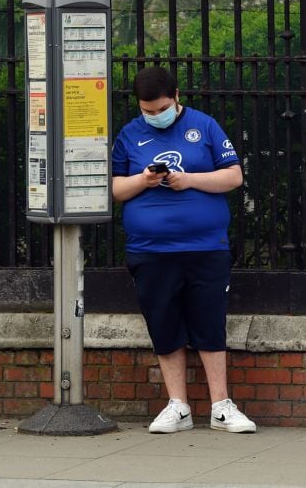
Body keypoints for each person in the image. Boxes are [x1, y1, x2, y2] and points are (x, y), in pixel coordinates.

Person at [111, 66, 256, 434]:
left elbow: (233, 176)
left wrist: (188, 179)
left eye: (160, 108)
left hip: (205, 246)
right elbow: (115, 190)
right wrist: (143, 180)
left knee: (209, 322)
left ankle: (221, 406)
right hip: (151, 250)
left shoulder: (204, 126)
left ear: (176, 97)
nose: (154, 115)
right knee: (164, 323)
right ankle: (178, 406)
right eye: (147, 110)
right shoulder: (129, 134)